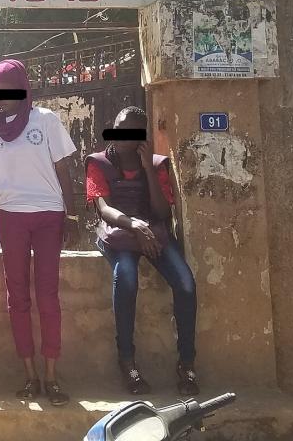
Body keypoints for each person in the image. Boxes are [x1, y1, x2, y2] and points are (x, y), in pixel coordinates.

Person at [0, 59, 78, 406]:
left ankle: (52, 375)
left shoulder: (46, 121)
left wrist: (71, 214)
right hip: (10, 218)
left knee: (48, 295)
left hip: (49, 215)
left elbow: (63, 168)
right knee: (17, 298)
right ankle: (30, 374)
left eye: (10, 90)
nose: (3, 98)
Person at [87, 106, 198, 396]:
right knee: (126, 277)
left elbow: (162, 211)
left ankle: (186, 363)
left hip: (154, 233)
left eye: (132, 132)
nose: (123, 137)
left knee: (185, 284)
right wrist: (135, 225)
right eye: (120, 129)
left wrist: (148, 168)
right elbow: (104, 209)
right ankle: (128, 362)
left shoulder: (158, 164)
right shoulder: (99, 163)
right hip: (119, 235)